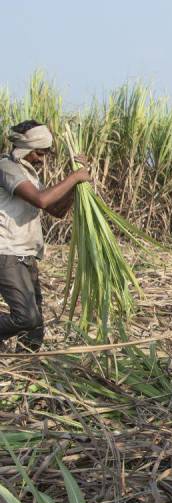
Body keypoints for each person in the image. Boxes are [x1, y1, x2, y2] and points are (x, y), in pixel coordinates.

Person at [0, 121, 91, 350]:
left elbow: (56, 210)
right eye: (39, 153)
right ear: (25, 148)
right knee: (26, 318)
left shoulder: (27, 173)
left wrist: (78, 186)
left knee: (35, 330)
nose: (42, 159)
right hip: (7, 252)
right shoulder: (7, 167)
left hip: (26, 253)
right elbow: (41, 200)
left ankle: (23, 370)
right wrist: (74, 177)